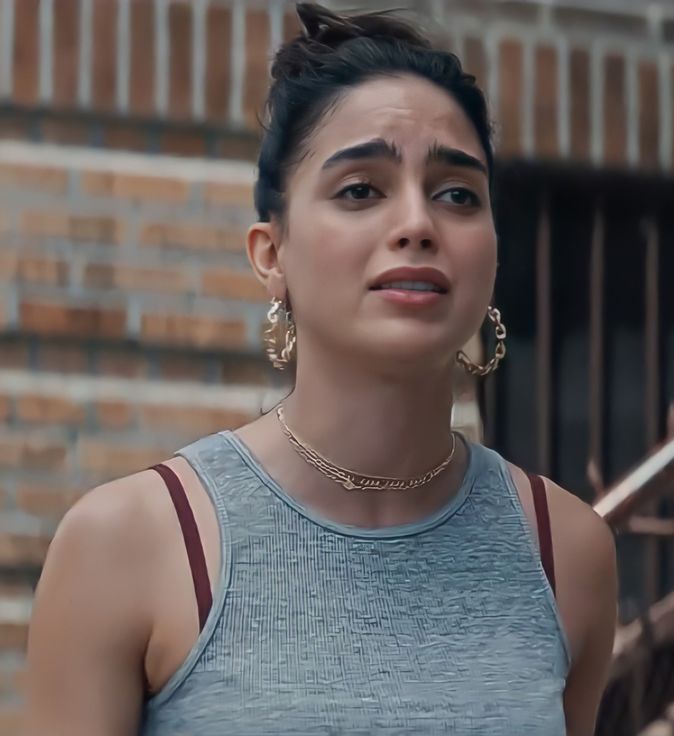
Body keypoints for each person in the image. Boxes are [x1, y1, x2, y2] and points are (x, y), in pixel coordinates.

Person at [25, 4, 617, 734]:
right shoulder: (133, 543)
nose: (417, 224)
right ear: (271, 255)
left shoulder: (566, 554)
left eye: (458, 194)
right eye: (360, 190)